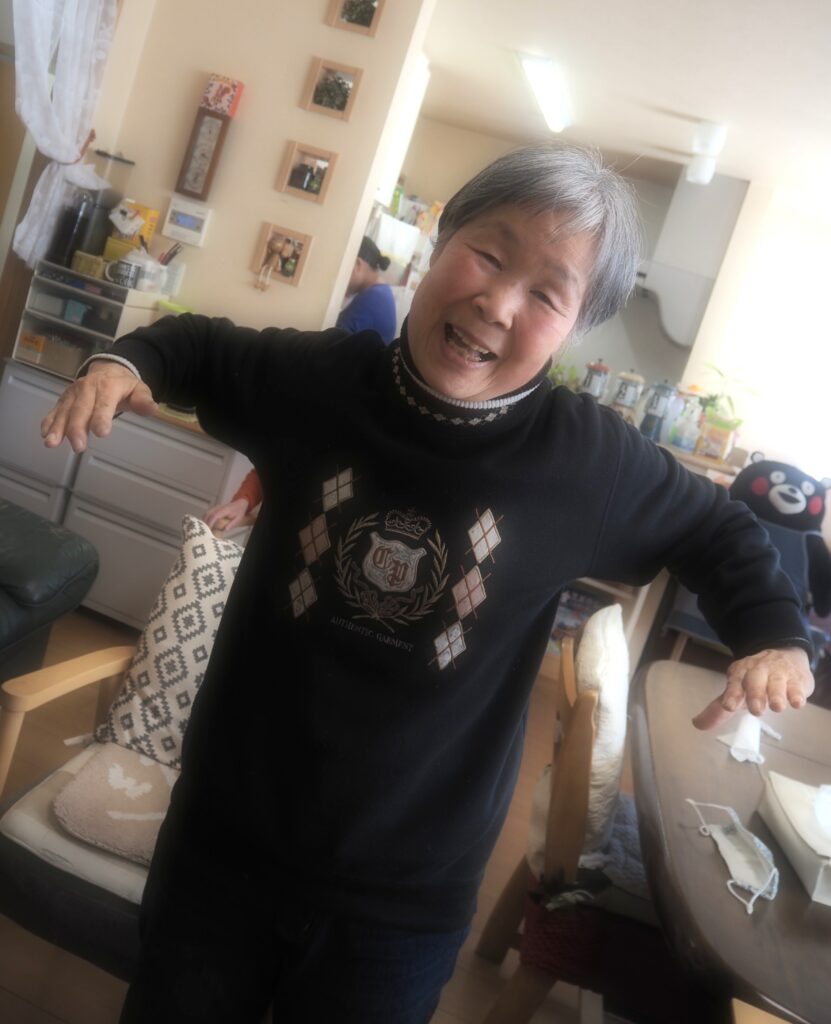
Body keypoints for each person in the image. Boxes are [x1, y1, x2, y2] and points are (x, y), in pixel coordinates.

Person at [41, 143, 814, 1024]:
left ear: (573, 327)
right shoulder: (320, 382)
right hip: (220, 843)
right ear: (440, 241)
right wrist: (118, 365)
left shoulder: (586, 462)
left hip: (401, 899)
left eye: (546, 294)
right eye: (488, 253)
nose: (498, 302)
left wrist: (772, 632)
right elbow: (192, 345)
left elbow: (718, 528)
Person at [205, 234, 397, 534]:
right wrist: (245, 500)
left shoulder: (372, 303)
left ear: (358, 264)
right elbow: (287, 447)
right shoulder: (322, 407)